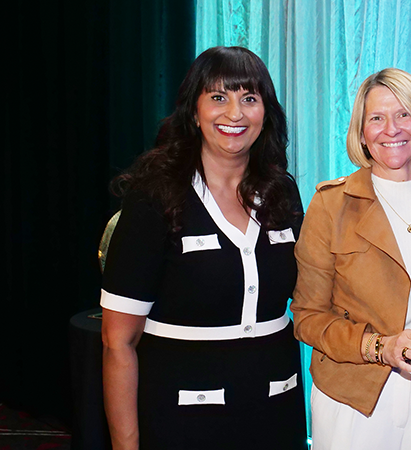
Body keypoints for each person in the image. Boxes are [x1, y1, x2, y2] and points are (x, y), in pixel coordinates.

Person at [100, 46, 307, 450]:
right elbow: (117, 342)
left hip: (276, 414)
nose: (235, 113)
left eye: (249, 98)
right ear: (194, 112)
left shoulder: (283, 193)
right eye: (218, 97)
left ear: (266, 113)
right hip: (183, 420)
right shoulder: (154, 197)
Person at [290, 68, 411, 450]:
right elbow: (307, 317)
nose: (392, 129)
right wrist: (379, 347)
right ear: (361, 133)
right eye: (377, 118)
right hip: (352, 396)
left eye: (404, 114)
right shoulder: (330, 205)